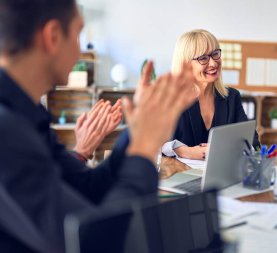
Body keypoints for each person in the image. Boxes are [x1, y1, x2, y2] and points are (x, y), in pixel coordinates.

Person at [0, 0, 196, 252]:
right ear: (53, 37)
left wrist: (138, 131)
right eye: (79, 33)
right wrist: (144, 149)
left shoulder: (26, 113)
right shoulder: (7, 131)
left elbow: (88, 187)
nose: (81, 48)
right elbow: (96, 242)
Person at [162, 29, 260, 160]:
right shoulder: (171, 99)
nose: (214, 63)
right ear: (186, 65)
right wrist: (184, 151)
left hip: (222, 174)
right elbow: (155, 143)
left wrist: (220, 148)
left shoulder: (231, 97)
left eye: (215, 54)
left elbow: (252, 141)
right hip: (179, 174)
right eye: (203, 58)